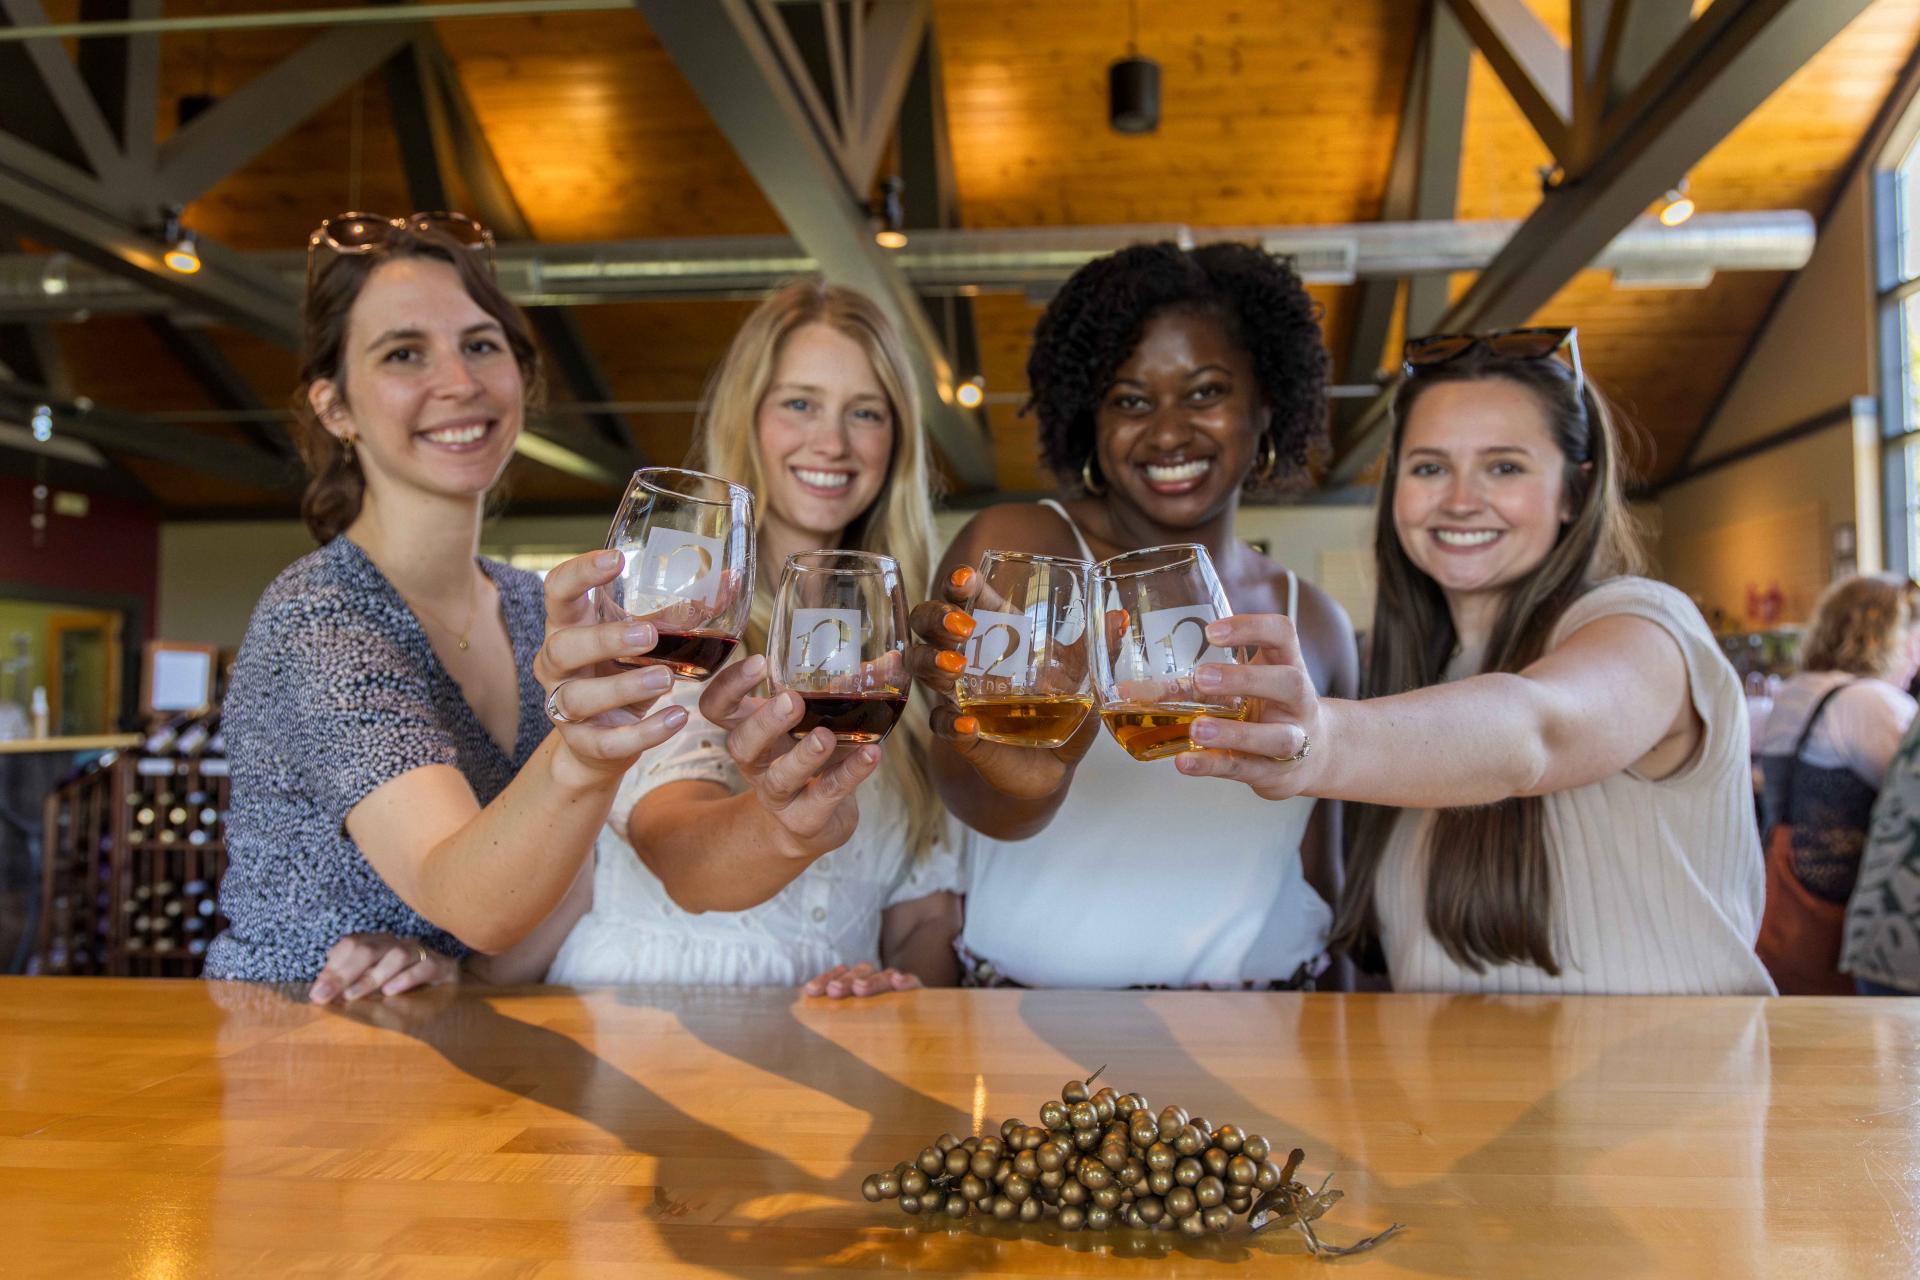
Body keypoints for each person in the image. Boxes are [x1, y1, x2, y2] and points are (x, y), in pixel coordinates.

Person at [1173, 328, 1774, 995]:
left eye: (1505, 467)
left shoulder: (1645, 626)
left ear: (1574, 490)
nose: (1460, 500)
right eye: (1429, 467)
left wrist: (1323, 744)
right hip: (1457, 1098)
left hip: (1670, 1096)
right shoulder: (1410, 673)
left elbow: (1535, 729)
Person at [204, 214, 688, 999]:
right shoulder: (319, 616)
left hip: (465, 1048)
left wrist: (457, 973)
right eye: (404, 353)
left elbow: (567, 888)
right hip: (298, 1043)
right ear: (335, 407)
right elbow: (468, 897)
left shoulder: (534, 605)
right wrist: (588, 761)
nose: (459, 382)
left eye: (480, 344)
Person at [908, 242, 1357, 989]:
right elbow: (986, 798)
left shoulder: (1312, 620)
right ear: (1089, 419)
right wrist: (1035, 776)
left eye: (1206, 392)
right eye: (1130, 401)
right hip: (1034, 1028)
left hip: (1274, 1022)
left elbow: (1323, 873)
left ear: (1267, 404)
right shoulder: (1026, 553)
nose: (1169, 432)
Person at [539, 279, 965, 993]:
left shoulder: (902, 654)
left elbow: (922, 921)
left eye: (865, 412)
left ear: (897, 440)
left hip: (836, 1058)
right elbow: (679, 855)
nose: (831, 442)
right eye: (800, 403)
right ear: (750, 416)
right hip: (649, 1026)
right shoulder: (680, 617)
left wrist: (899, 993)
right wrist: (780, 827)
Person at [1754, 575, 1920, 993]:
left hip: (1783, 905)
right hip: (1846, 920)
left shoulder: (1796, 691)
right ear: (1883, 637)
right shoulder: (1869, 702)